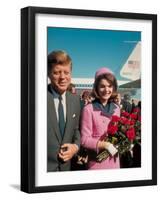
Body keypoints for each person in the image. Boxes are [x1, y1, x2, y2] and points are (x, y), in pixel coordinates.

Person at [81, 67, 120, 170]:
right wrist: (105, 145)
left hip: (115, 161)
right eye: (102, 86)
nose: (107, 90)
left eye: (109, 86)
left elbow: (119, 133)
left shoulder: (116, 108)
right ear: (96, 88)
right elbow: (84, 140)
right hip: (97, 163)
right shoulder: (88, 109)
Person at [47, 50, 81, 172]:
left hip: (65, 169)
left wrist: (75, 147)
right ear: (48, 74)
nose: (62, 77)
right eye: (57, 72)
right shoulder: (36, 97)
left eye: (66, 72)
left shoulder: (75, 100)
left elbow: (76, 129)